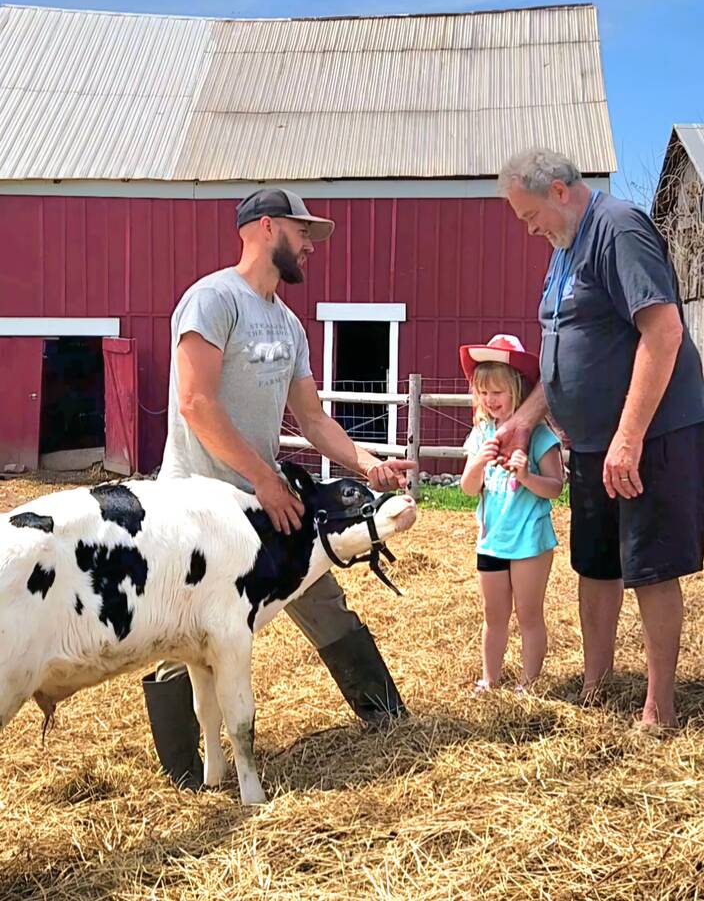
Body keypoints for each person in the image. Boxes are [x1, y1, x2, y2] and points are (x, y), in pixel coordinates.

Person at [142, 187, 416, 789]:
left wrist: (368, 463)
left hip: (265, 507)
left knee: (320, 595)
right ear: (266, 228)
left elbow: (313, 420)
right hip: (194, 505)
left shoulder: (289, 323)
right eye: (303, 232)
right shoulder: (212, 301)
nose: (312, 245)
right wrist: (266, 479)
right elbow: (195, 403)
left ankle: (390, 722)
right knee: (181, 632)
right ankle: (187, 776)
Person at [493, 148, 704, 729]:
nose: (529, 227)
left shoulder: (618, 229)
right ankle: (597, 685)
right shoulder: (564, 251)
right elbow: (571, 346)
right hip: (592, 441)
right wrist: (526, 417)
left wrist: (629, 436)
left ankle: (658, 704)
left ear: (560, 190)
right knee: (596, 564)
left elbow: (663, 331)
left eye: (530, 214)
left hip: (650, 434)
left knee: (649, 565)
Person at [459, 335, 563, 693]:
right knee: (494, 617)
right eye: (484, 393)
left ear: (519, 390)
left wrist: (526, 476)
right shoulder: (481, 434)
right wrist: (479, 462)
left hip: (530, 540)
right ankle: (490, 679)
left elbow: (555, 486)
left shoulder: (538, 437)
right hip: (491, 542)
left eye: (498, 392)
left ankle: (528, 684)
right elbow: (468, 489)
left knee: (529, 615)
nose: (490, 401)